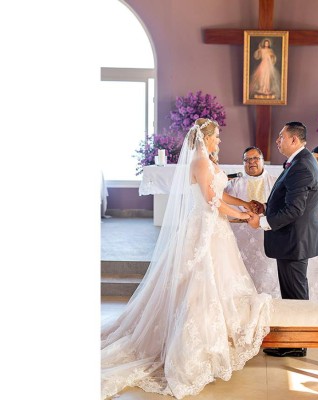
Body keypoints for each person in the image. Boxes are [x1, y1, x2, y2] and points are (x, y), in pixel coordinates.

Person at [101, 118, 272, 399]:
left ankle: (215, 339)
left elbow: (222, 194)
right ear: (205, 138)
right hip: (203, 229)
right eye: (216, 136)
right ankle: (194, 347)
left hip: (216, 230)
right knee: (198, 285)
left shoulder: (209, 162)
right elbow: (212, 203)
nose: (219, 140)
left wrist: (245, 204)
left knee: (218, 283)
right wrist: (243, 217)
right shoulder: (201, 163)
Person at [247, 121, 318, 358]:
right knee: (293, 291)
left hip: (294, 240)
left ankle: (297, 344)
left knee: (295, 293)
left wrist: (262, 222)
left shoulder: (301, 166)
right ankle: (296, 340)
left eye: (281, 137)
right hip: (294, 239)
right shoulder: (301, 161)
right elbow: (288, 200)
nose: (277, 140)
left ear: (294, 140)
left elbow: (294, 210)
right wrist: (267, 207)